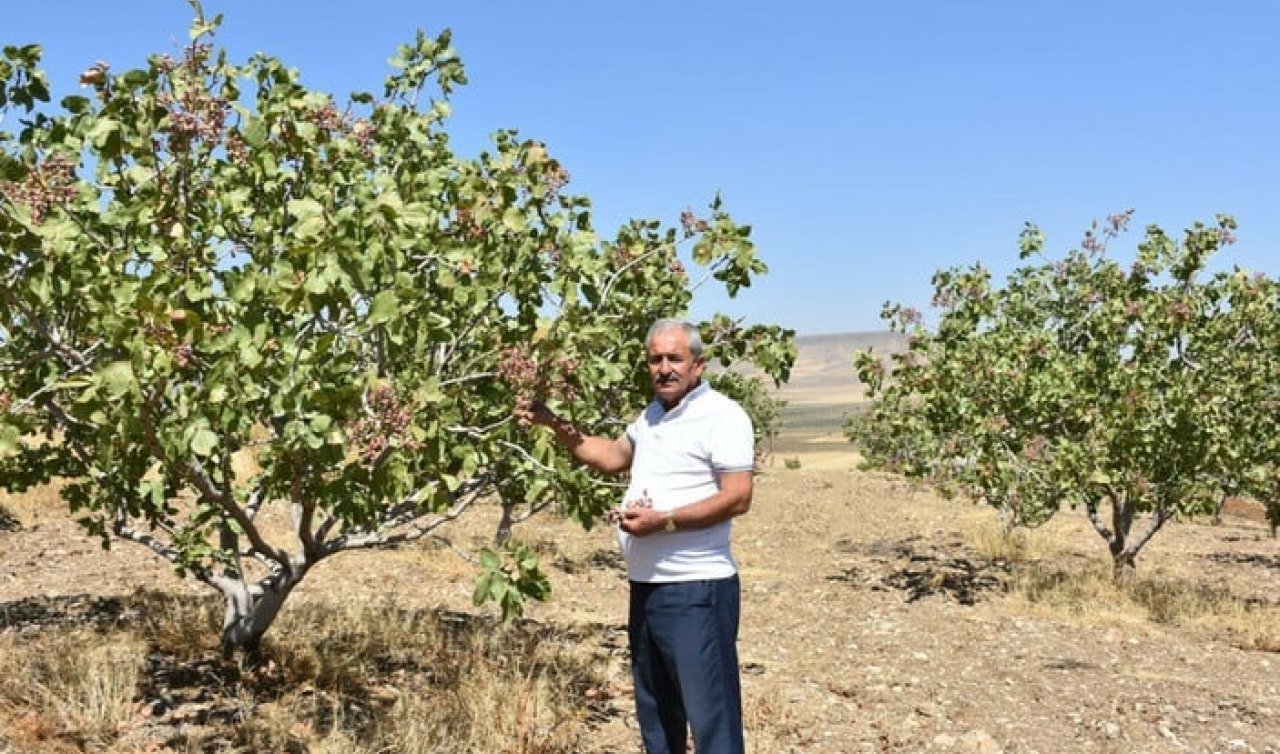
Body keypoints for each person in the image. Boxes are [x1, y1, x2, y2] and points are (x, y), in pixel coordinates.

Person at [524, 318, 754, 754]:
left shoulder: (722, 416)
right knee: (657, 716)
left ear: (698, 364)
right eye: (655, 359)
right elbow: (611, 456)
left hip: (696, 589)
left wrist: (662, 521)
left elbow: (738, 497)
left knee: (712, 722)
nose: (664, 368)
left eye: (674, 358)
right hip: (647, 589)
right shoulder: (651, 416)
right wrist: (552, 421)